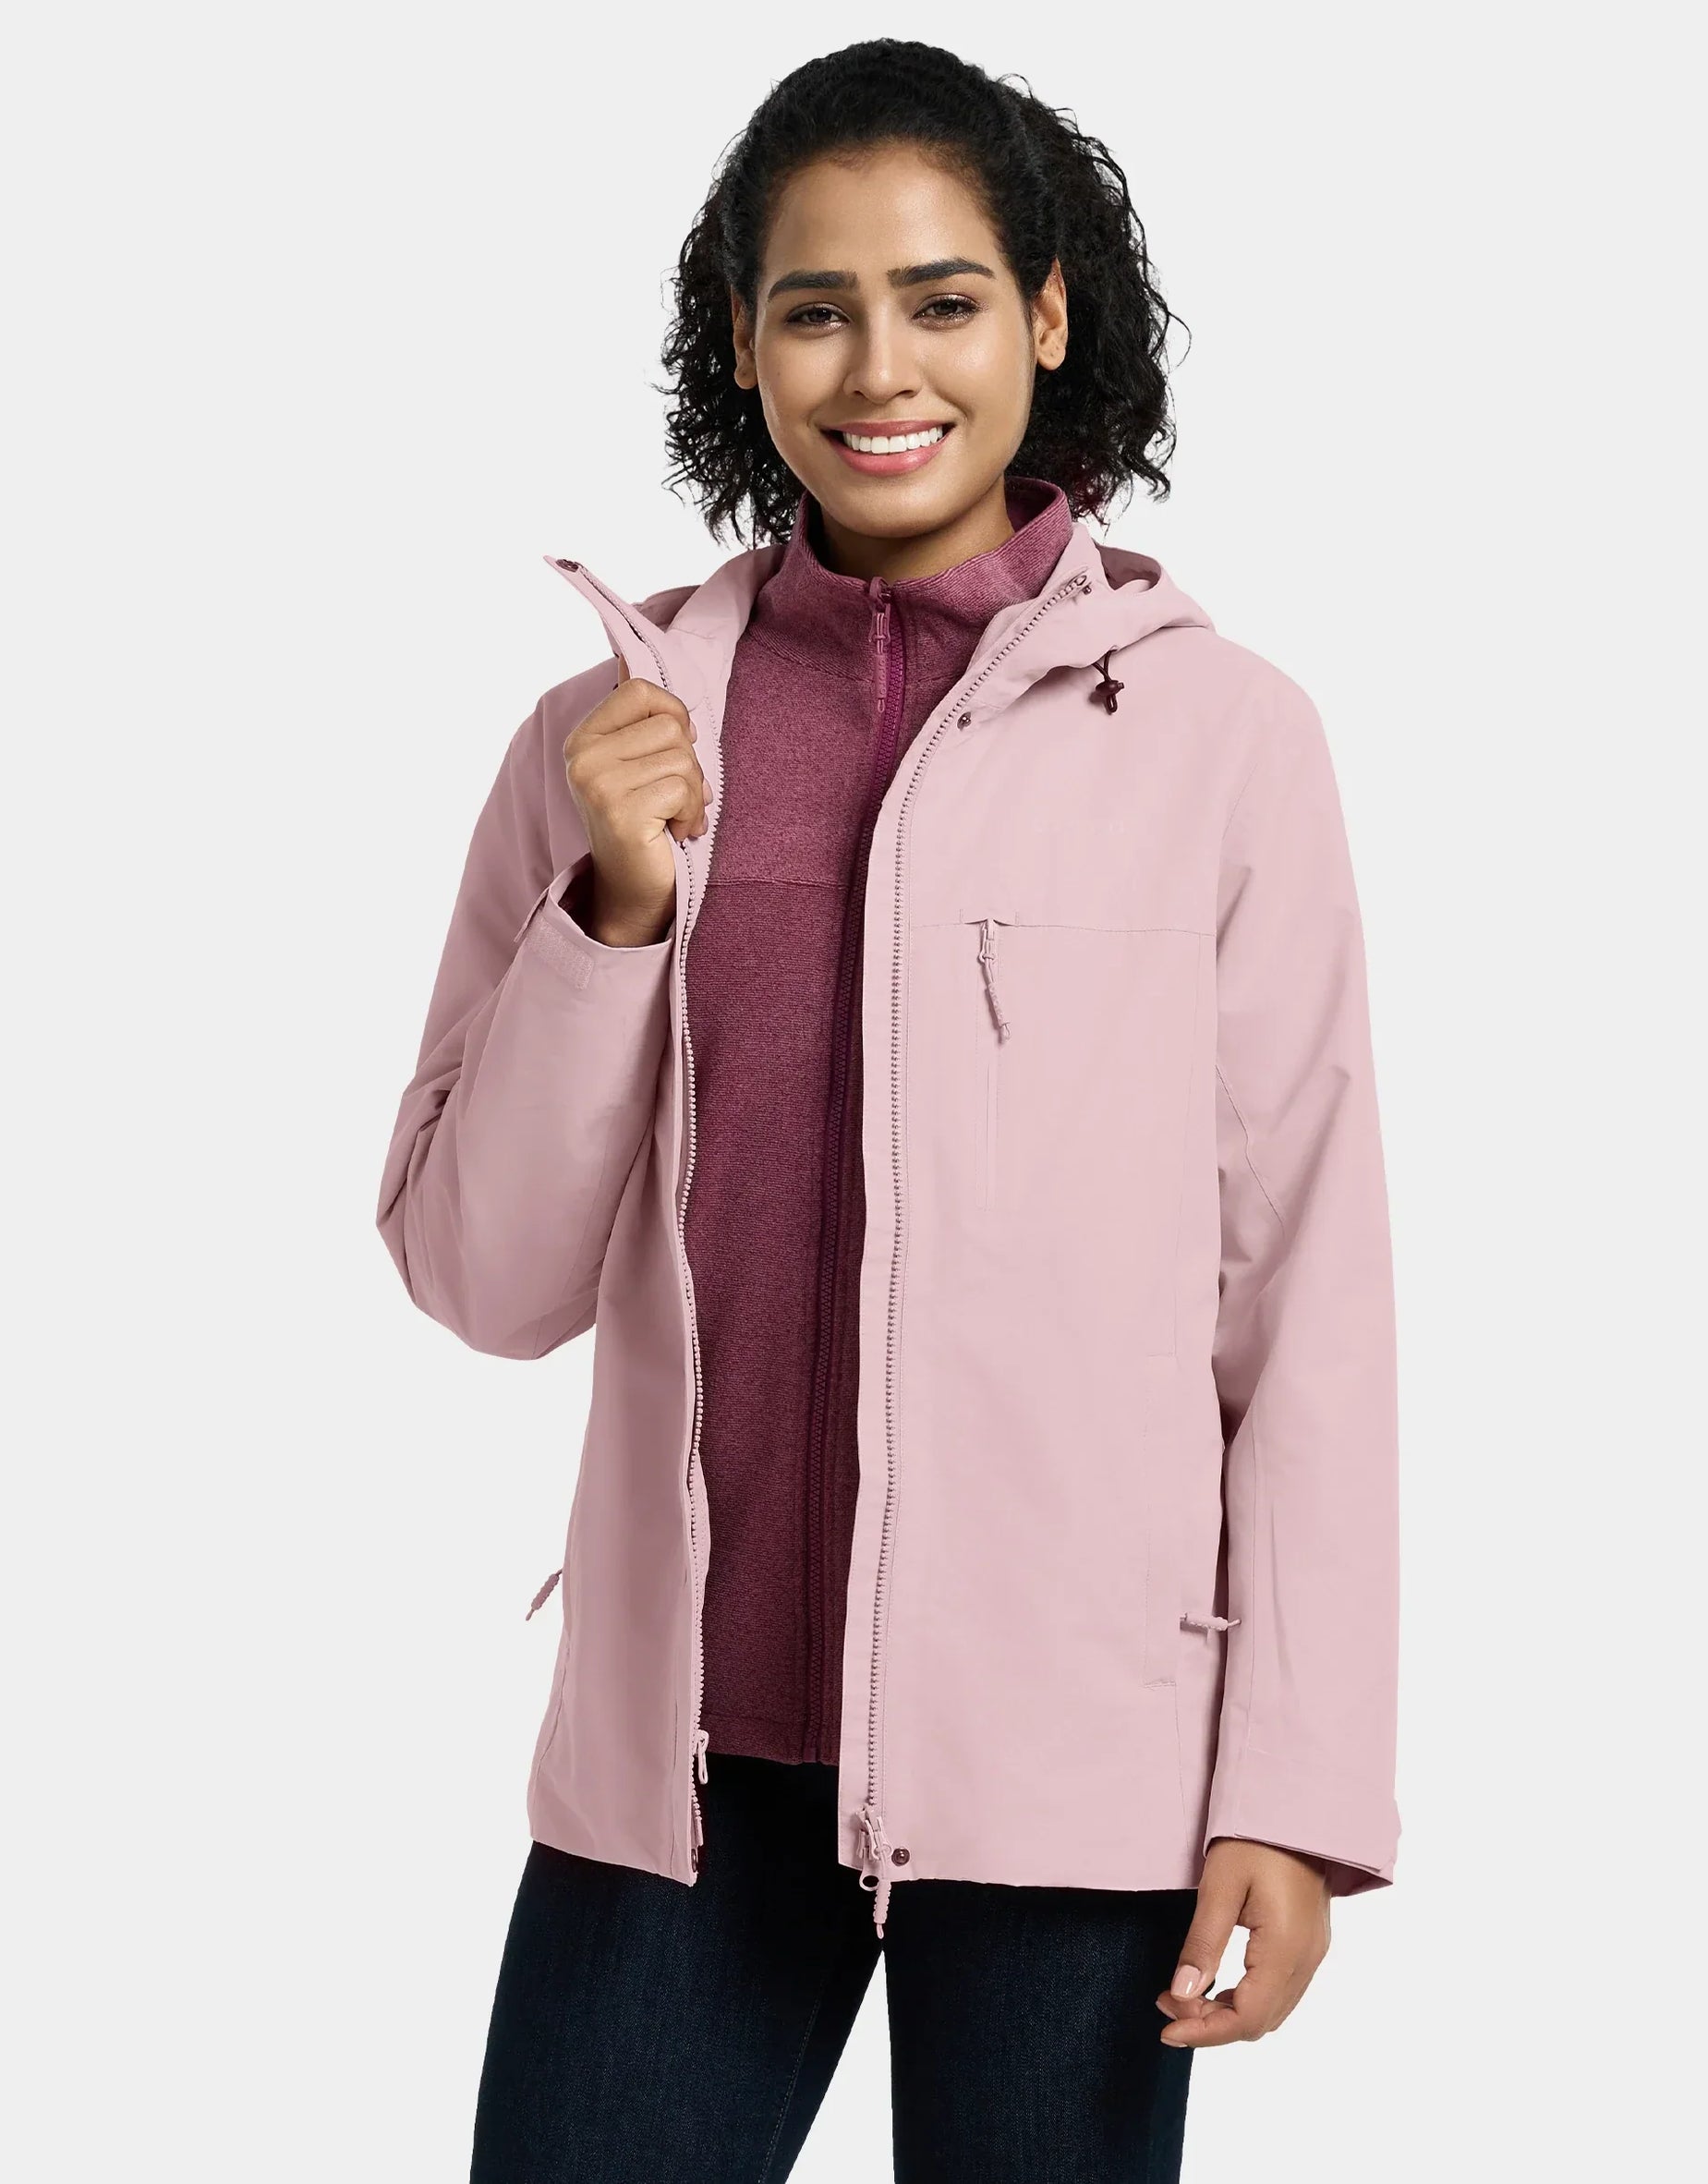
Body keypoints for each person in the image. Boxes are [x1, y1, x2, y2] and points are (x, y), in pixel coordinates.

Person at [375, 37, 1399, 2184]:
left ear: (1047, 314)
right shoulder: (605, 736)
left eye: (941, 300)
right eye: (815, 309)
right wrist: (615, 911)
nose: (879, 369)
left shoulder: (1221, 741)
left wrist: (1296, 1795)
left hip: (1074, 1769)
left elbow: (1304, 1298)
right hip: (685, 1761)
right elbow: (484, 1280)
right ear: (739, 341)